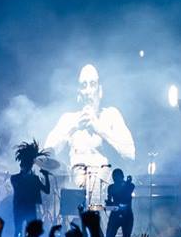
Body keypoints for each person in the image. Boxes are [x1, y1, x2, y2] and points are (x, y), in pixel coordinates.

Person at [44, 64, 136, 196]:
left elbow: (130, 153)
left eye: (92, 84)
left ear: (100, 91)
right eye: (83, 85)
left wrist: (100, 128)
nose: (88, 91)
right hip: (76, 193)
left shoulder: (111, 115)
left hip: (104, 193)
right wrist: (73, 127)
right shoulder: (68, 119)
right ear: (78, 93)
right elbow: (46, 154)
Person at [10, 141, 52, 237]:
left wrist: (45, 176)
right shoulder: (17, 178)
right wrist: (44, 176)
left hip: (24, 208)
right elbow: (46, 190)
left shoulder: (17, 178)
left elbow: (47, 190)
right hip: (24, 208)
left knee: (24, 232)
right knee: (20, 231)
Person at [104, 168, 135, 237]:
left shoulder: (129, 185)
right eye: (114, 177)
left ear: (121, 177)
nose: (115, 179)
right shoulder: (111, 188)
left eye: (116, 177)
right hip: (116, 216)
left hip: (127, 216)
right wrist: (109, 205)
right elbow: (109, 206)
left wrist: (127, 183)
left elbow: (125, 194)